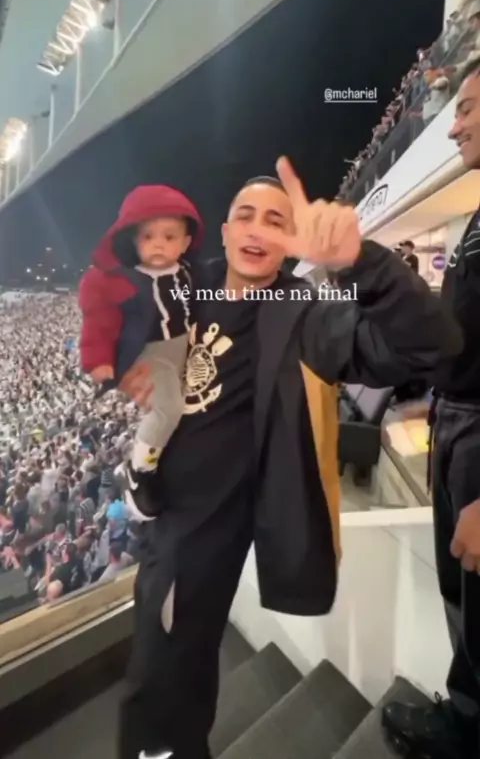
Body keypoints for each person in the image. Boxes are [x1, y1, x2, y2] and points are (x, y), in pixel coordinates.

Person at [118, 157, 461, 759]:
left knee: (170, 666)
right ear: (225, 232)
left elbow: (433, 345)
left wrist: (363, 261)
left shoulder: (305, 314)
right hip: (165, 508)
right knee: (168, 663)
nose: (258, 229)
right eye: (245, 217)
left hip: (220, 521)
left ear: (290, 239)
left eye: (276, 221)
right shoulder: (183, 289)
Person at [382, 57, 480, 758]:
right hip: (456, 418)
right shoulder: (475, 217)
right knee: (460, 591)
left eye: (467, 108)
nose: (454, 127)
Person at [79, 184, 203, 518]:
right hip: (152, 354)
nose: (158, 244)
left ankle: (168, 457)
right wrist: (99, 361)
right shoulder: (127, 281)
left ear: (186, 242)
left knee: (192, 403)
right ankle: (140, 470)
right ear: (134, 241)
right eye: (148, 236)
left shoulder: (189, 272)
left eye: (169, 236)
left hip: (186, 348)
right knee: (167, 408)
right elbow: (100, 321)